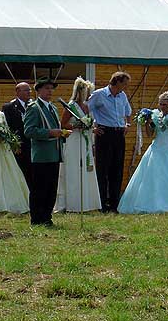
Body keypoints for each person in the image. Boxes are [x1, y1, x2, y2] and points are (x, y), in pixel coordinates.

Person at [118, 91, 168, 214]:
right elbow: (150, 134)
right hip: (156, 147)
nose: (161, 107)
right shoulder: (156, 114)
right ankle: (150, 203)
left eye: (164, 104)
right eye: (160, 104)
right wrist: (147, 122)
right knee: (152, 175)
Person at [24, 77, 70, 226]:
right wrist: (50, 133)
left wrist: (62, 134)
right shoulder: (34, 108)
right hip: (41, 156)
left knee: (51, 188)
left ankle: (47, 217)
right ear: (38, 91)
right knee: (39, 189)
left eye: (51, 89)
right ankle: (36, 219)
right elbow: (29, 131)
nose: (50, 91)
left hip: (54, 154)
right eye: (46, 88)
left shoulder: (53, 108)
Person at [54, 77, 101, 213]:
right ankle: (72, 203)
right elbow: (63, 124)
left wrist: (90, 126)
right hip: (73, 139)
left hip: (85, 140)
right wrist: (77, 125)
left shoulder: (86, 106)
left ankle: (86, 202)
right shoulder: (71, 106)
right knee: (74, 169)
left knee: (86, 169)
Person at [88, 71, 132, 213]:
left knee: (117, 169)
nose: (126, 86)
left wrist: (128, 125)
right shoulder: (99, 94)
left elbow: (128, 113)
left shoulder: (122, 96)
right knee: (103, 169)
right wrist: (92, 127)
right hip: (104, 133)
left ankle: (114, 204)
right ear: (117, 82)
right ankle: (101, 203)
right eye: (125, 83)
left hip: (119, 134)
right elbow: (85, 110)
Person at [2, 82, 32, 187]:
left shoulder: (34, 106)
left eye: (30, 90)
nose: (29, 92)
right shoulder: (9, 107)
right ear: (18, 92)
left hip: (33, 146)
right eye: (26, 90)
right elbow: (7, 127)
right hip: (18, 147)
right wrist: (14, 144)